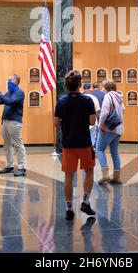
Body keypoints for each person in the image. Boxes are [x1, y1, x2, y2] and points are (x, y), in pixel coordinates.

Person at [54, 70, 96, 220]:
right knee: (89, 171)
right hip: (85, 142)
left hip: (68, 143)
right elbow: (92, 122)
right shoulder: (87, 100)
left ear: (67, 85)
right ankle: (85, 202)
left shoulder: (61, 101)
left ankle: (69, 207)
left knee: (68, 175)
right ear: (80, 84)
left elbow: (56, 123)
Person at [0, 74, 26, 177]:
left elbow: (10, 102)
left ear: (16, 81)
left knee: (18, 145)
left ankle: (22, 167)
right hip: (5, 121)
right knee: (7, 145)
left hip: (14, 122)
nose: (8, 81)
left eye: (10, 80)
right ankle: (9, 166)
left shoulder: (19, 92)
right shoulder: (9, 92)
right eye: (8, 79)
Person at [96, 79, 125, 185]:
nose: (102, 89)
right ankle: (116, 177)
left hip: (108, 128)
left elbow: (104, 113)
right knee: (114, 152)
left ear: (107, 88)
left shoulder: (108, 96)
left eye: (103, 87)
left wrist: (101, 125)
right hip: (118, 129)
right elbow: (123, 110)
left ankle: (105, 175)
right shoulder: (119, 97)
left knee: (99, 149)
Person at [83, 83, 100, 148]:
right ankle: (91, 154)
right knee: (92, 139)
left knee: (83, 140)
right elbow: (98, 110)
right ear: (90, 89)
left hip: (82, 123)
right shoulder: (94, 98)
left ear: (83, 88)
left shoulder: (80, 97)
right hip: (92, 122)